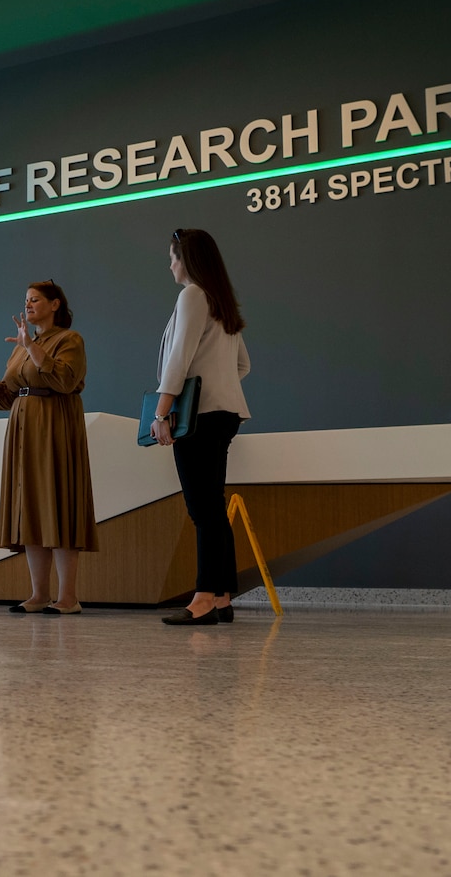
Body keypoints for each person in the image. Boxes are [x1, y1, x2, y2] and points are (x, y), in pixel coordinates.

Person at [0, 280, 96, 614]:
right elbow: (5, 397)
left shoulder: (68, 339)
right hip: (23, 430)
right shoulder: (21, 346)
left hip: (55, 427)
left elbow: (65, 380)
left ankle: (68, 598)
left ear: (55, 304)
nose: (28, 305)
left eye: (34, 300)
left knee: (58, 504)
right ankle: (39, 594)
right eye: (26, 300)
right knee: (30, 506)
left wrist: (31, 345)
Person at [152, 229, 252, 627]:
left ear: (187, 259)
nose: (170, 264)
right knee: (213, 506)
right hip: (225, 414)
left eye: (173, 256)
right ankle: (223, 596)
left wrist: (162, 413)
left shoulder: (192, 295)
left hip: (198, 416)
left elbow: (179, 358)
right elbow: (243, 366)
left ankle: (204, 597)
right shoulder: (221, 300)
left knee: (202, 509)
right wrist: (218, 383)